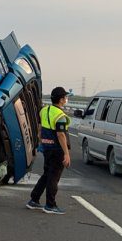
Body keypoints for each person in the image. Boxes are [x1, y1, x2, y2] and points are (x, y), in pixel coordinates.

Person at [27, 86, 71, 214]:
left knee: (47, 174)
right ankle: (50, 205)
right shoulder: (60, 115)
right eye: (65, 97)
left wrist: (41, 142)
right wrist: (67, 154)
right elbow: (61, 135)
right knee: (53, 177)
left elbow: (40, 129)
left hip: (47, 148)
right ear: (61, 99)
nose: (66, 99)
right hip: (57, 149)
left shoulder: (44, 110)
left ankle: (34, 199)